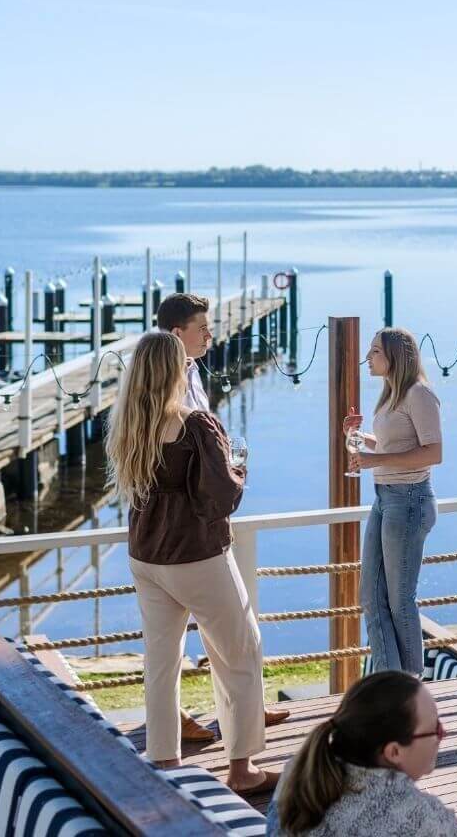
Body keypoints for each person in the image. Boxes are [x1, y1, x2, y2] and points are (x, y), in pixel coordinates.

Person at [106, 331, 276, 794]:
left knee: (161, 659)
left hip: (146, 556)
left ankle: (164, 760)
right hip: (194, 554)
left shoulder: (128, 424)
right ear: (174, 369)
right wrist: (239, 468)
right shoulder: (194, 424)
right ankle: (242, 770)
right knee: (239, 651)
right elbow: (221, 498)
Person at [157, 293, 288, 743]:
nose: (212, 335)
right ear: (178, 334)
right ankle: (242, 756)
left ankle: (223, 720)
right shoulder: (165, 388)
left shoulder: (188, 374)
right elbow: (188, 460)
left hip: (159, 540)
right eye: (203, 328)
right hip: (193, 531)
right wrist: (231, 467)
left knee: (182, 645)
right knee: (238, 639)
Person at [342, 328, 442, 676]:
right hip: (385, 499)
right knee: (371, 597)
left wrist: (373, 461)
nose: (367, 358)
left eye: (374, 352)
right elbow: (394, 447)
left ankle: (410, 686)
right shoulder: (390, 396)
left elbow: (434, 452)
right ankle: (390, 681)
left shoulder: (419, 395)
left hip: (410, 501)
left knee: (400, 602)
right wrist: (359, 438)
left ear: (394, 357)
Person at [266, 670, 457, 836]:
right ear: (394, 751)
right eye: (435, 728)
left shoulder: (298, 774)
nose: (444, 733)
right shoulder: (425, 822)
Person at [156, 293, 213, 411]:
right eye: (202, 329)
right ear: (177, 334)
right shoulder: (160, 384)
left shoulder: (192, 370)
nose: (209, 336)